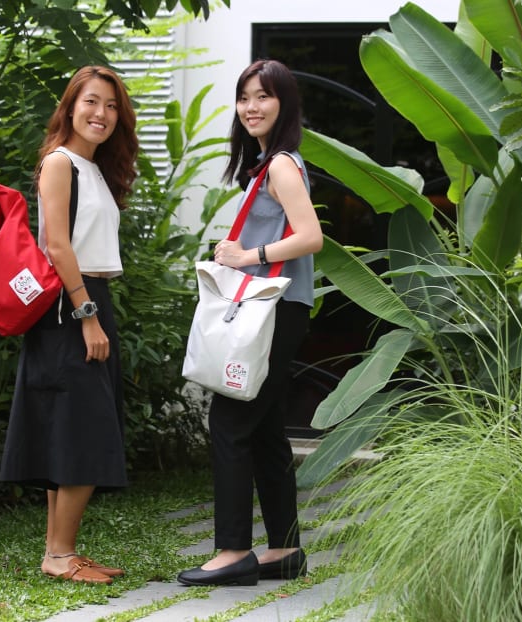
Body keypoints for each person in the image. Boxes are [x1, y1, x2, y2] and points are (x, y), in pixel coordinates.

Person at [177, 59, 323, 587]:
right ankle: (283, 550)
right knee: (263, 431)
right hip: (280, 308)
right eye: (244, 98)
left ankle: (233, 550)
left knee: (229, 423)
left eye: (263, 96)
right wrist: (238, 251)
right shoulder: (267, 164)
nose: (252, 107)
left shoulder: (281, 164)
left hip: (274, 310)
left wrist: (245, 255)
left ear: (283, 104)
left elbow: (310, 236)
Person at [0, 65, 139, 585]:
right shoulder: (60, 163)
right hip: (70, 306)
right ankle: (60, 555)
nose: (101, 114)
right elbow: (56, 245)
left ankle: (61, 551)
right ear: (70, 107)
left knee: (70, 428)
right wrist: (87, 315)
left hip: (89, 296)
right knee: (85, 428)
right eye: (91, 102)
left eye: (111, 106)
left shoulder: (93, 167)